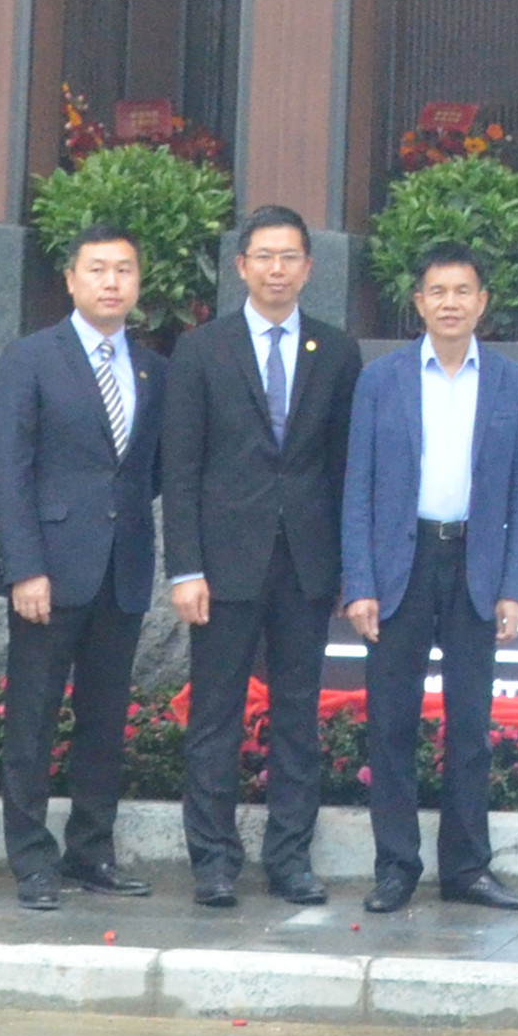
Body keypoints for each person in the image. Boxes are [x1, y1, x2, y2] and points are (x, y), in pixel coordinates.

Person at [161, 208, 359, 910]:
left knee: (298, 717)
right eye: (265, 256)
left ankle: (290, 860)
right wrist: (185, 567)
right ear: (241, 266)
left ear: (308, 268)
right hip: (222, 565)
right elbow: (180, 467)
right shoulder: (201, 349)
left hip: (306, 563)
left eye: (290, 257)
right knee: (216, 716)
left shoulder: (337, 351)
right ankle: (214, 861)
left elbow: (344, 469)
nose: (277, 269)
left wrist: (349, 570)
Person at [344, 241, 518, 913]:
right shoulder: (383, 380)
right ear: (419, 302)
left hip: (473, 567)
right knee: (391, 724)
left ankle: (467, 868)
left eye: (463, 291)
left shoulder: (510, 382)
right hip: (400, 566)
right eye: (438, 291)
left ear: (483, 303)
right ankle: (396, 867)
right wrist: (360, 582)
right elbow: (357, 488)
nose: (450, 303)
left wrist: (514, 585)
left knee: (470, 726)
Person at [0, 226, 171, 910]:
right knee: (32, 720)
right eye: (97, 269)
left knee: (104, 719)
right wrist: (24, 566)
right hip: (49, 570)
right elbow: (11, 469)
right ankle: (32, 859)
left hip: (122, 568)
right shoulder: (31, 357)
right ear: (70, 280)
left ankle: (92, 851)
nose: (111, 282)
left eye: (124, 269)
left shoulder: (154, 368)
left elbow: (149, 471)